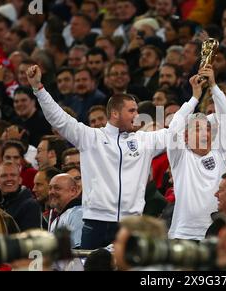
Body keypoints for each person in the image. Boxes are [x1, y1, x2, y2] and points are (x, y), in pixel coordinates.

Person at [27, 64, 168, 249]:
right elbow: (59, 118)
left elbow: (175, 132)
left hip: (130, 224)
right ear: (115, 113)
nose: (137, 115)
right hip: (96, 222)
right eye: (132, 111)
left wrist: (196, 98)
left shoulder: (143, 140)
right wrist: (38, 89)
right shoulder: (90, 137)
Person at [167, 66, 226, 241]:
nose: (204, 132)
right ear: (186, 136)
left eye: (207, 128)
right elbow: (174, 128)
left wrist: (213, 85)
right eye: (197, 128)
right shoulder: (180, 157)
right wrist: (195, 97)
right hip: (184, 234)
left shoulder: (221, 152)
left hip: (216, 234)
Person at [0, 161, 41, 231]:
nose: (9, 179)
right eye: (4, 176)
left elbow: (28, 239)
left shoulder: (30, 205)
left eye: (13, 175)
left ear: (20, 180)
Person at [48, 174, 83, 248]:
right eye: (50, 188)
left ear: (73, 191)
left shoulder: (79, 213)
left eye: (57, 188)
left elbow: (80, 252)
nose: (51, 192)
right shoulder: (55, 221)